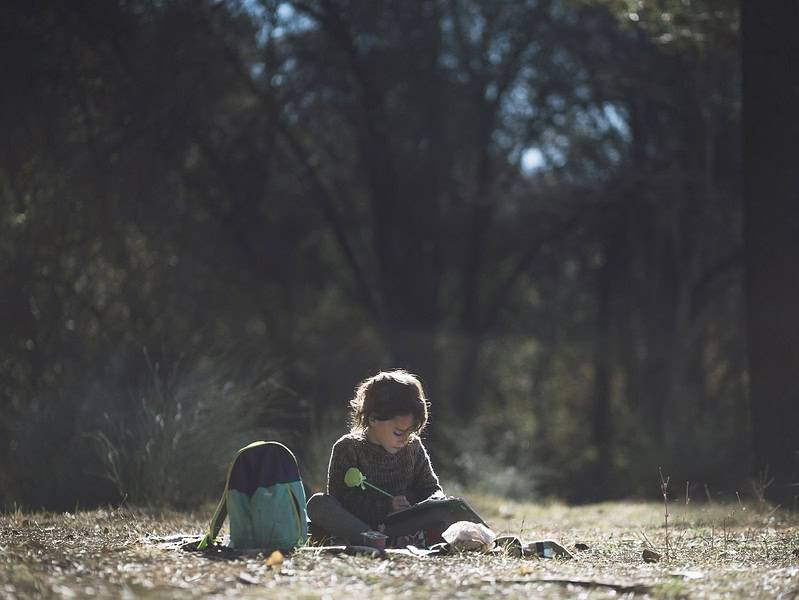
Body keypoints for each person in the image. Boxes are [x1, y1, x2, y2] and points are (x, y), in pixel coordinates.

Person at [306, 369, 444, 546]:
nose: (405, 439)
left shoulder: (413, 447)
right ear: (373, 419)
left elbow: (430, 487)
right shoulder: (348, 448)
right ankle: (374, 540)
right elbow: (342, 500)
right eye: (398, 432)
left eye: (410, 433)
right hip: (363, 527)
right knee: (319, 504)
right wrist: (387, 506)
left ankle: (402, 539)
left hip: (406, 525)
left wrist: (433, 501)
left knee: (445, 511)